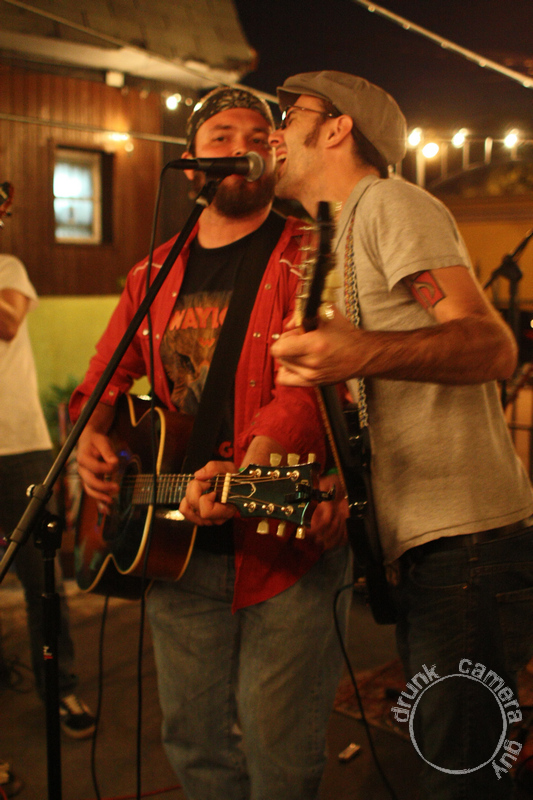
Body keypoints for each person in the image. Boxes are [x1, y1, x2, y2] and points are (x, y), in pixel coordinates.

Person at [70, 86, 351, 800]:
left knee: (280, 752)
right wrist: (89, 436)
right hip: (177, 545)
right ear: (191, 159)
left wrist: (251, 463)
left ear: (275, 156)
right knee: (193, 743)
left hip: (283, 538)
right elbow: (106, 375)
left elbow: (310, 388)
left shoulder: (309, 256)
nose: (240, 148)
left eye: (257, 136)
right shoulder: (153, 272)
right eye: (221, 135)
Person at [268, 70, 533, 800]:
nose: (276, 131)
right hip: (429, 548)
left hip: (465, 545)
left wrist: (359, 351)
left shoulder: (390, 203)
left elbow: (491, 346)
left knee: (459, 775)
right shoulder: (334, 234)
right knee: (454, 762)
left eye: (290, 115)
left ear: (337, 127)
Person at [0, 240, 96, 739]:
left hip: (20, 447)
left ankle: (61, 688)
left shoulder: (8, 267)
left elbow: (8, 323)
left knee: (43, 581)